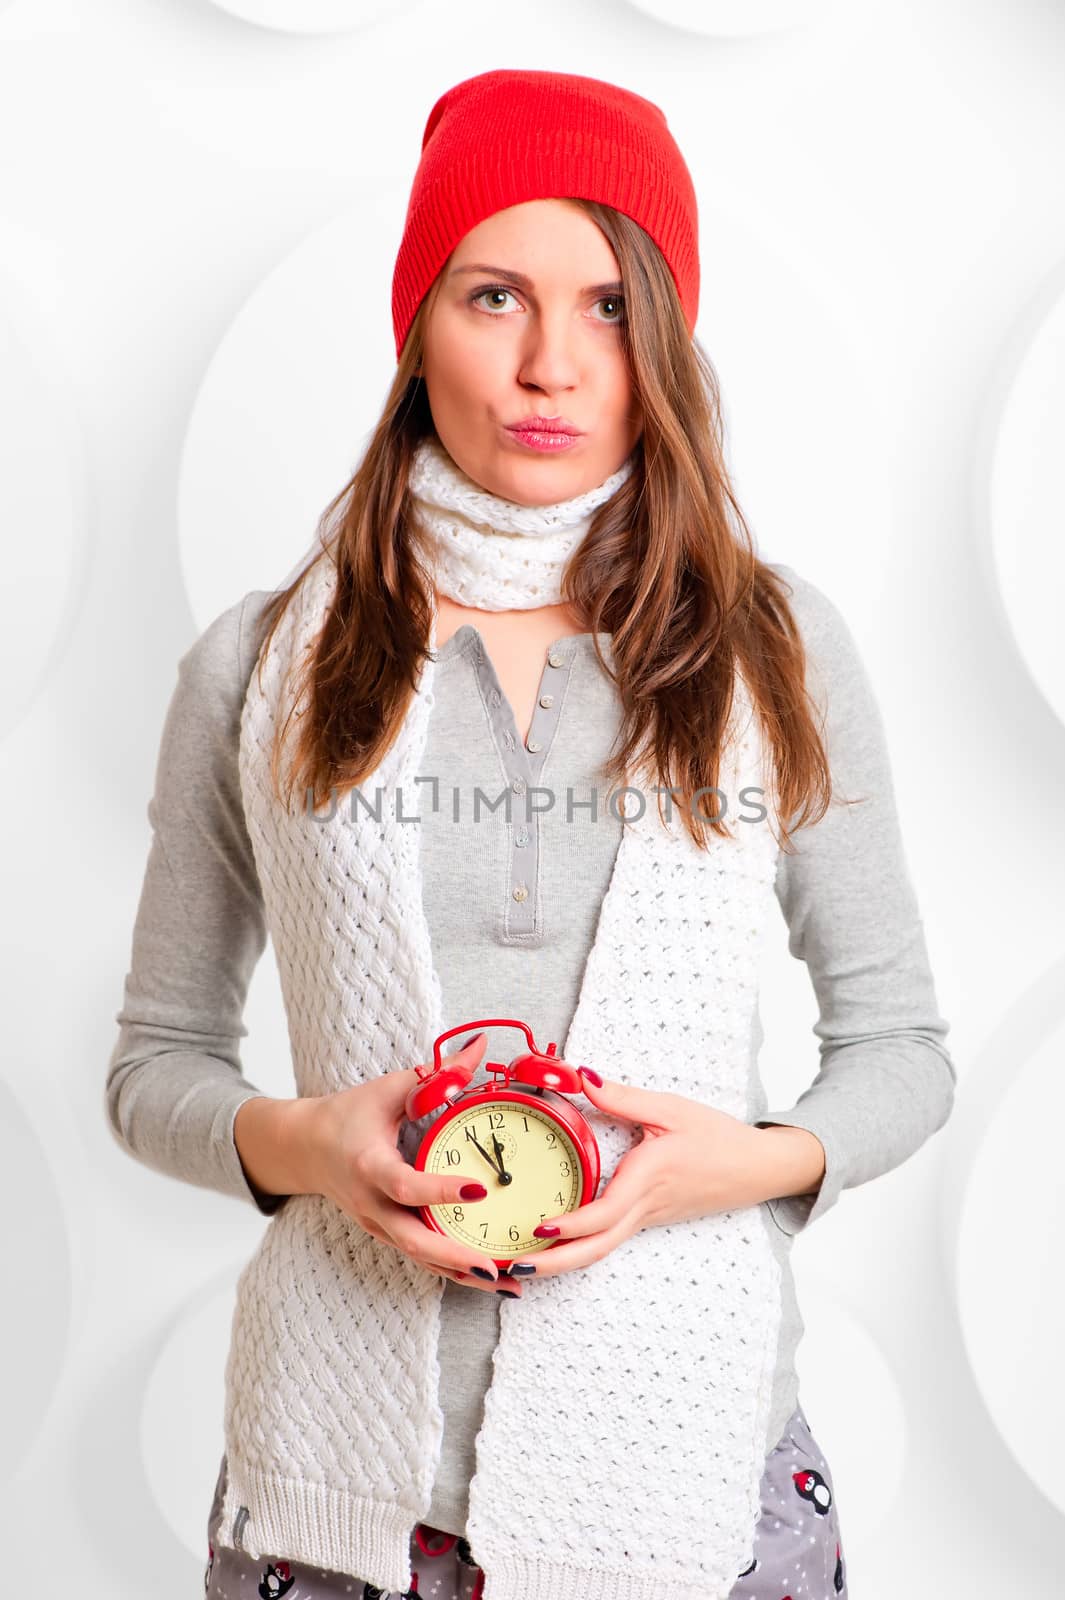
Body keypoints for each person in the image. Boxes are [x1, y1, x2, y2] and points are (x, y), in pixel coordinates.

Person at [105, 69, 955, 1600]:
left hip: (696, 1483)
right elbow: (156, 1061)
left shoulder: (772, 649)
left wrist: (747, 1163)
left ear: (664, 342)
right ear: (418, 320)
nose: (551, 363)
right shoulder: (261, 659)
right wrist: (305, 1142)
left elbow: (898, 1043)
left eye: (608, 305)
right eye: (494, 294)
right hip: (333, 1510)